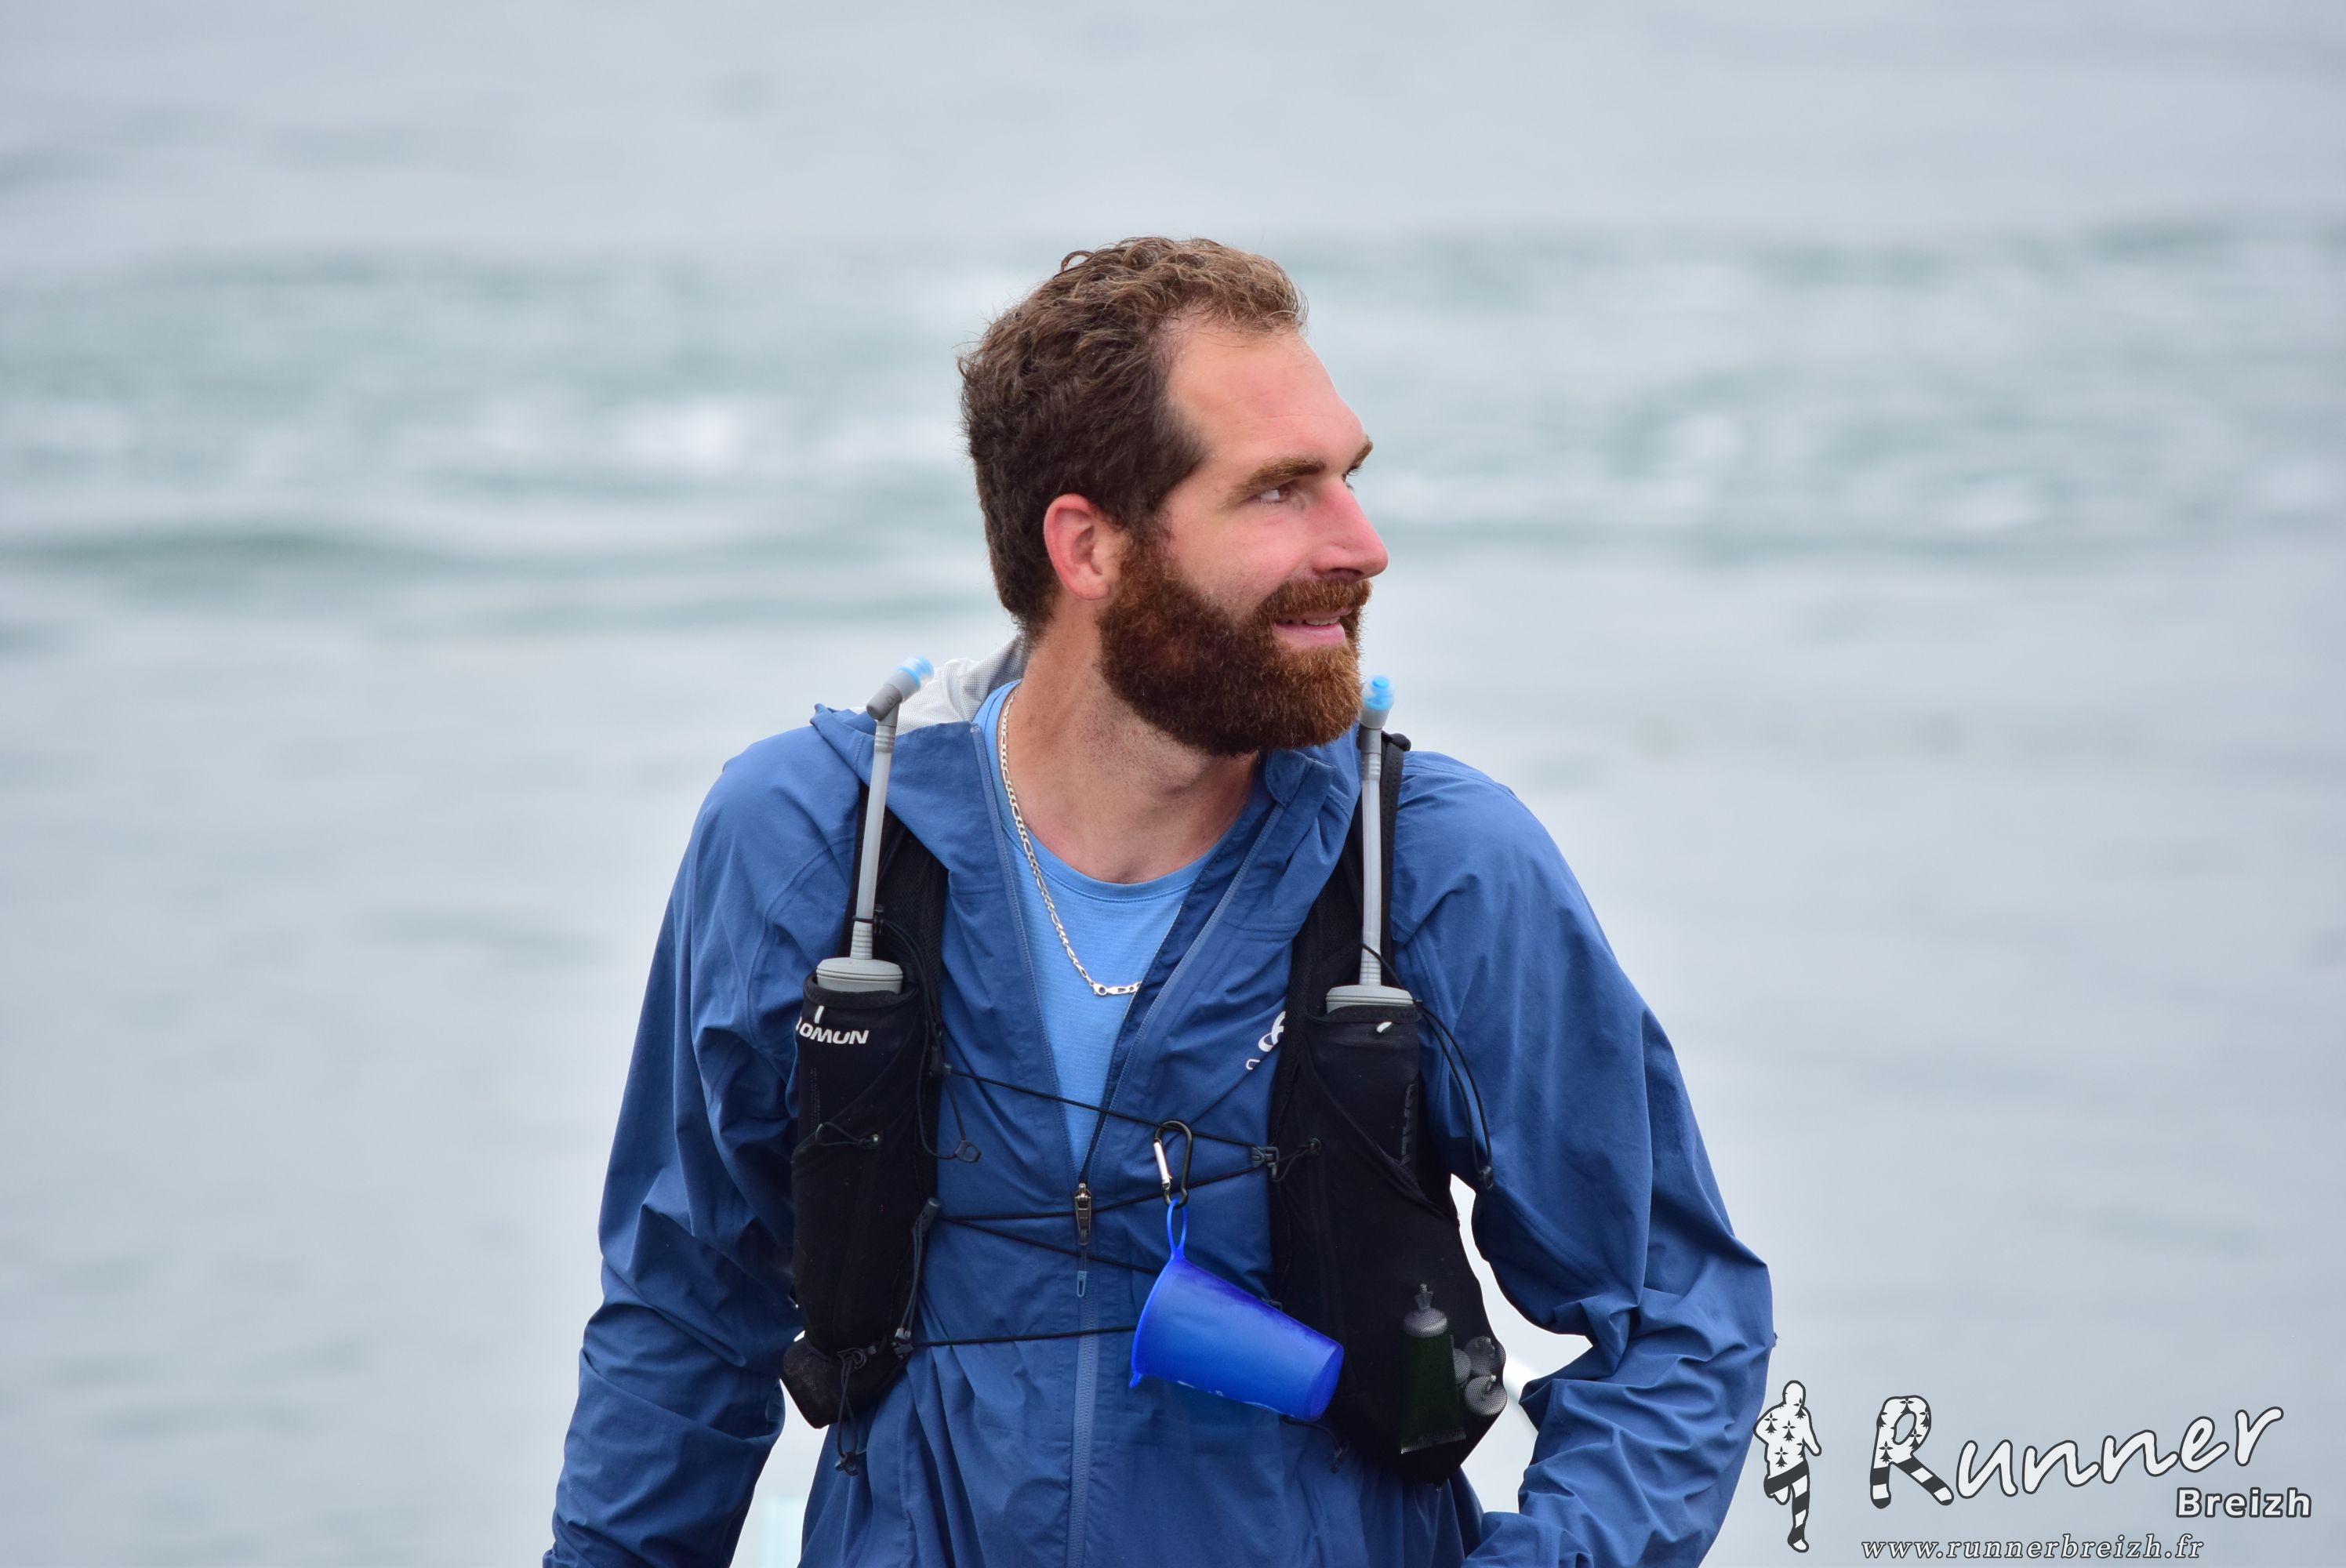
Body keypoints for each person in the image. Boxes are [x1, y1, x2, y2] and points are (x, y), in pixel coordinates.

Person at [547, 238, 1773, 1566]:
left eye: (1348, 479)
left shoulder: (1438, 866)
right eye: (1280, 492)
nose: (1363, 546)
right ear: (1089, 546)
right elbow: (681, 1319)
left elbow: (1679, 1324)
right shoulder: (813, 842)